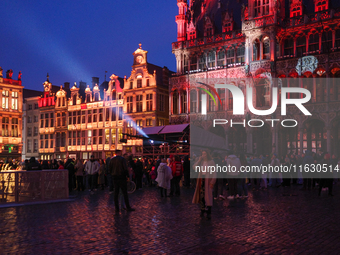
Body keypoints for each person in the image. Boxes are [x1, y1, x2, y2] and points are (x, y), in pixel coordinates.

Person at [192, 150, 216, 219]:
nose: (204, 155)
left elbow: (214, 172)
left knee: (208, 196)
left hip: (208, 180)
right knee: (201, 196)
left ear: (207, 154)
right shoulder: (201, 162)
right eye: (202, 154)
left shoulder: (211, 162)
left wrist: (212, 182)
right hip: (201, 180)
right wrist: (199, 160)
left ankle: (209, 212)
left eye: (205, 154)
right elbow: (194, 167)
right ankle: (202, 210)